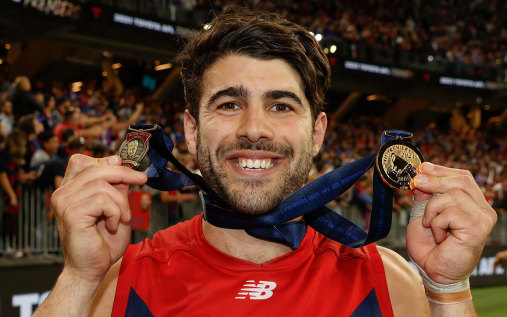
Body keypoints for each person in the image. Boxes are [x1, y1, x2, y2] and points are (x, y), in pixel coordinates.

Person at [34, 8, 496, 316]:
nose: (254, 129)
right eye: (230, 104)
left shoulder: (387, 282)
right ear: (192, 131)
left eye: (281, 106)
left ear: (317, 133)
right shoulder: (121, 284)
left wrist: (448, 289)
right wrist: (79, 277)